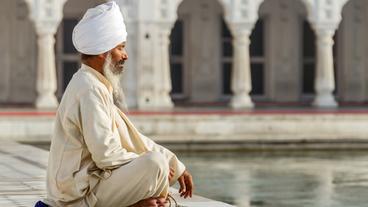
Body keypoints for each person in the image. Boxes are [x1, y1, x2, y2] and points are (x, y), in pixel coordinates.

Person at [44, 1, 193, 207]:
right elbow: (106, 153)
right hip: (74, 196)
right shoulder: (89, 88)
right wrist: (157, 165)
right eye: (120, 48)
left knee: (157, 162)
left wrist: (176, 164)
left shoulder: (94, 83)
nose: (125, 55)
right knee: (154, 165)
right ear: (103, 52)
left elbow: (130, 137)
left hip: (89, 185)